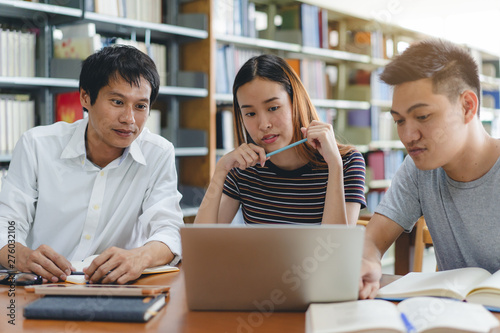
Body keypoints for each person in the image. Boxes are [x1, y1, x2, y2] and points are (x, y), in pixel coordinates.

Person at [0, 45, 183, 285]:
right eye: (117, 102)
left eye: (140, 106)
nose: (129, 119)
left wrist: (141, 256)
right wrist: (21, 256)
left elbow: (170, 230)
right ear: (85, 97)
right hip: (41, 286)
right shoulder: (37, 145)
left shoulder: (158, 153)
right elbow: (6, 225)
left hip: (116, 290)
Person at [359, 39, 500, 299]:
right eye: (399, 121)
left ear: (467, 106)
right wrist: (367, 261)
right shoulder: (418, 168)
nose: (408, 136)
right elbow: (372, 239)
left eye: (422, 116)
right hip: (453, 318)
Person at [194, 54, 366, 226]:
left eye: (273, 108)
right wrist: (220, 171)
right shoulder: (243, 169)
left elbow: (336, 249)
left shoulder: (346, 162)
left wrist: (334, 165)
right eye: (250, 114)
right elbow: (200, 244)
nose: (264, 124)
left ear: (295, 102)